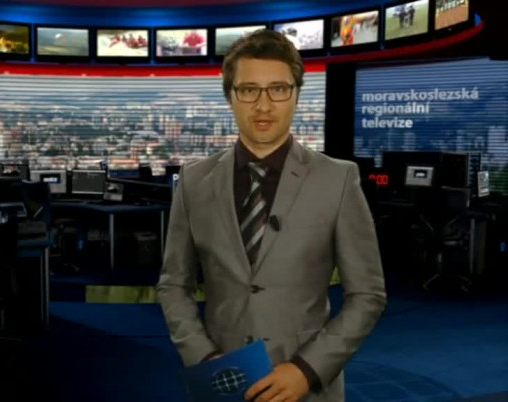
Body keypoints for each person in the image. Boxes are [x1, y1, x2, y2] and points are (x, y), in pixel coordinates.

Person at [156, 29, 386, 402]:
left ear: (296, 94)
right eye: (249, 90)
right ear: (230, 96)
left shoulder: (338, 179)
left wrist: (306, 370)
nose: (263, 106)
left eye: (278, 89)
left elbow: (368, 295)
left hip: (308, 389)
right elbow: (173, 286)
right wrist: (205, 358)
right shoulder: (195, 180)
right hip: (223, 384)